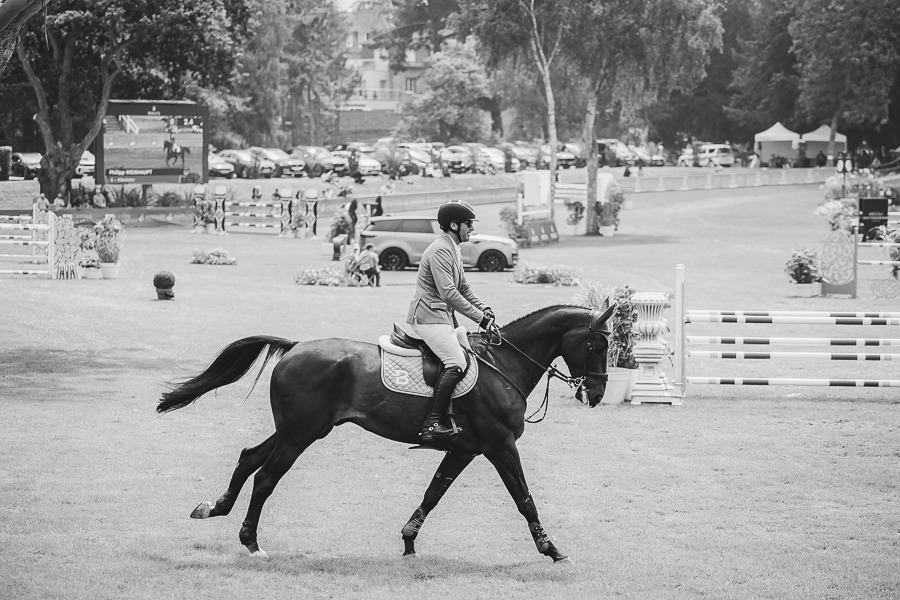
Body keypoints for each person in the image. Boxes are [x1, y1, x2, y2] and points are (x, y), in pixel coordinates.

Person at [407, 200, 496, 442]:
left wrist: (484, 309)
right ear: (454, 225)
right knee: (456, 362)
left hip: (442, 318)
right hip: (428, 318)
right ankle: (431, 424)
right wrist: (479, 318)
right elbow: (449, 293)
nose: (472, 229)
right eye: (469, 224)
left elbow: (463, 286)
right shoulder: (440, 250)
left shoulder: (453, 247)